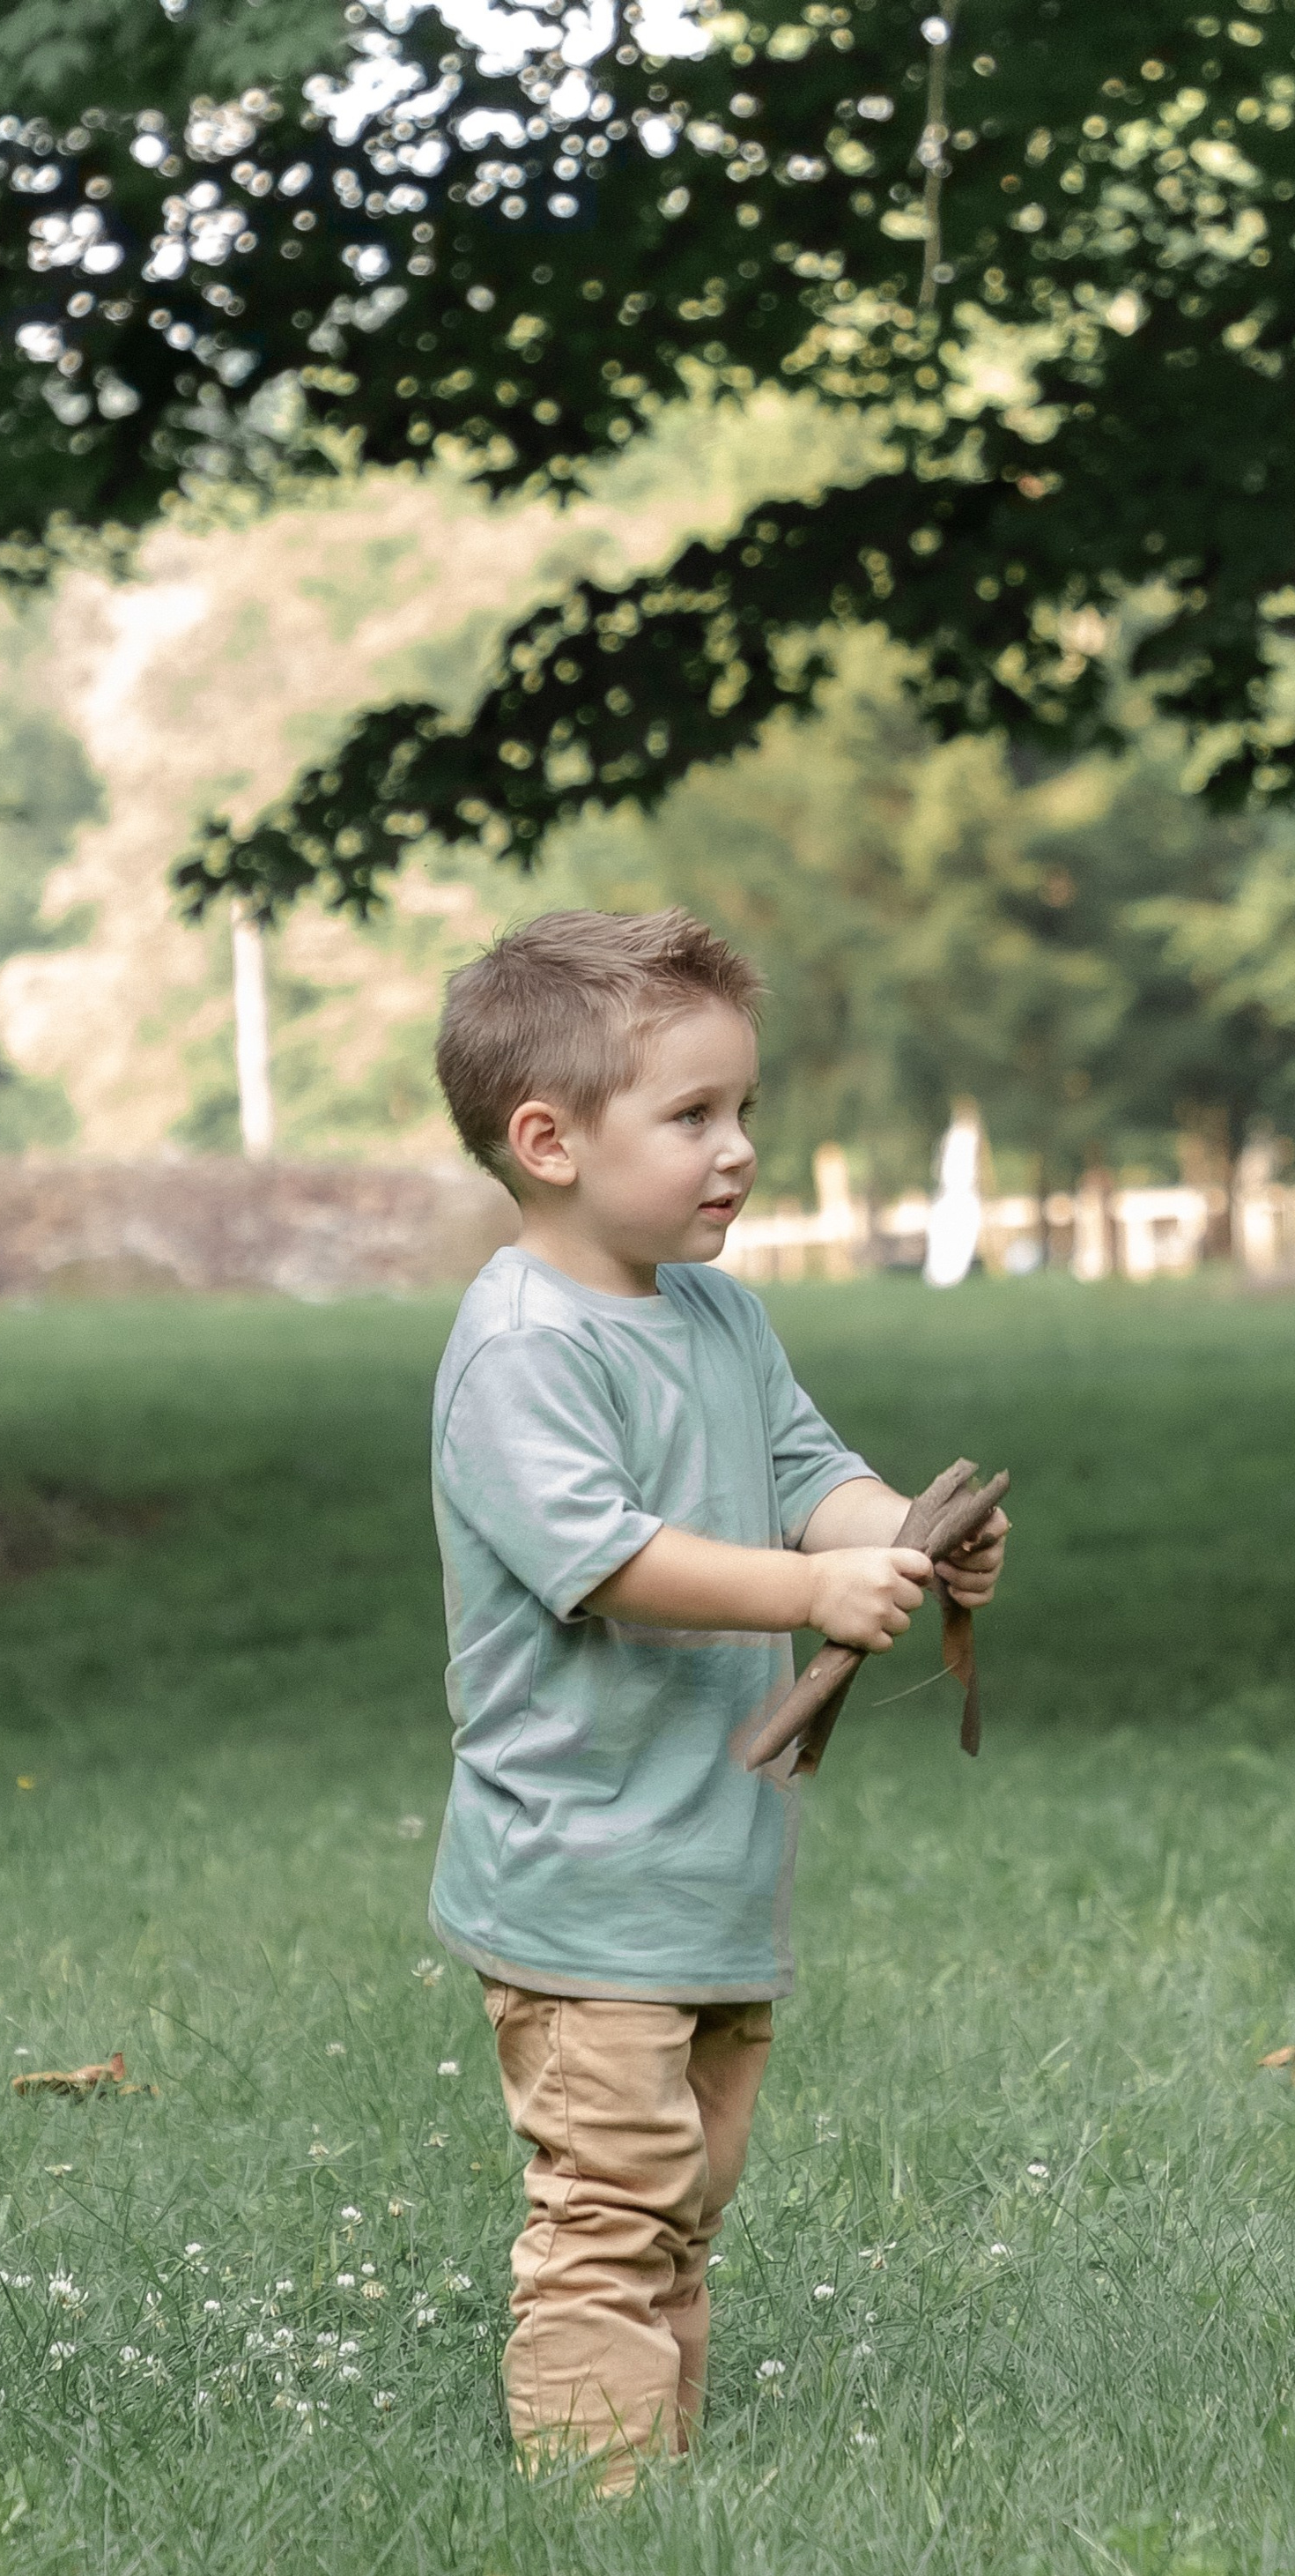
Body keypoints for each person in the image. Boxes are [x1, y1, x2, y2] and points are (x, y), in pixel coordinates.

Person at [428, 909, 1008, 2488]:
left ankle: (662, 2473)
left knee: (683, 2207)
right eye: (691, 1115)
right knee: (611, 2211)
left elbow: (809, 1476)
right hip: (582, 1865)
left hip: (711, 1864)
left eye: (744, 1108)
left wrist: (902, 1535)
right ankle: (601, 2506)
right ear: (548, 1142)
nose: (738, 1148)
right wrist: (808, 1593)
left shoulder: (716, 1314)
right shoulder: (523, 1349)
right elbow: (604, 1559)